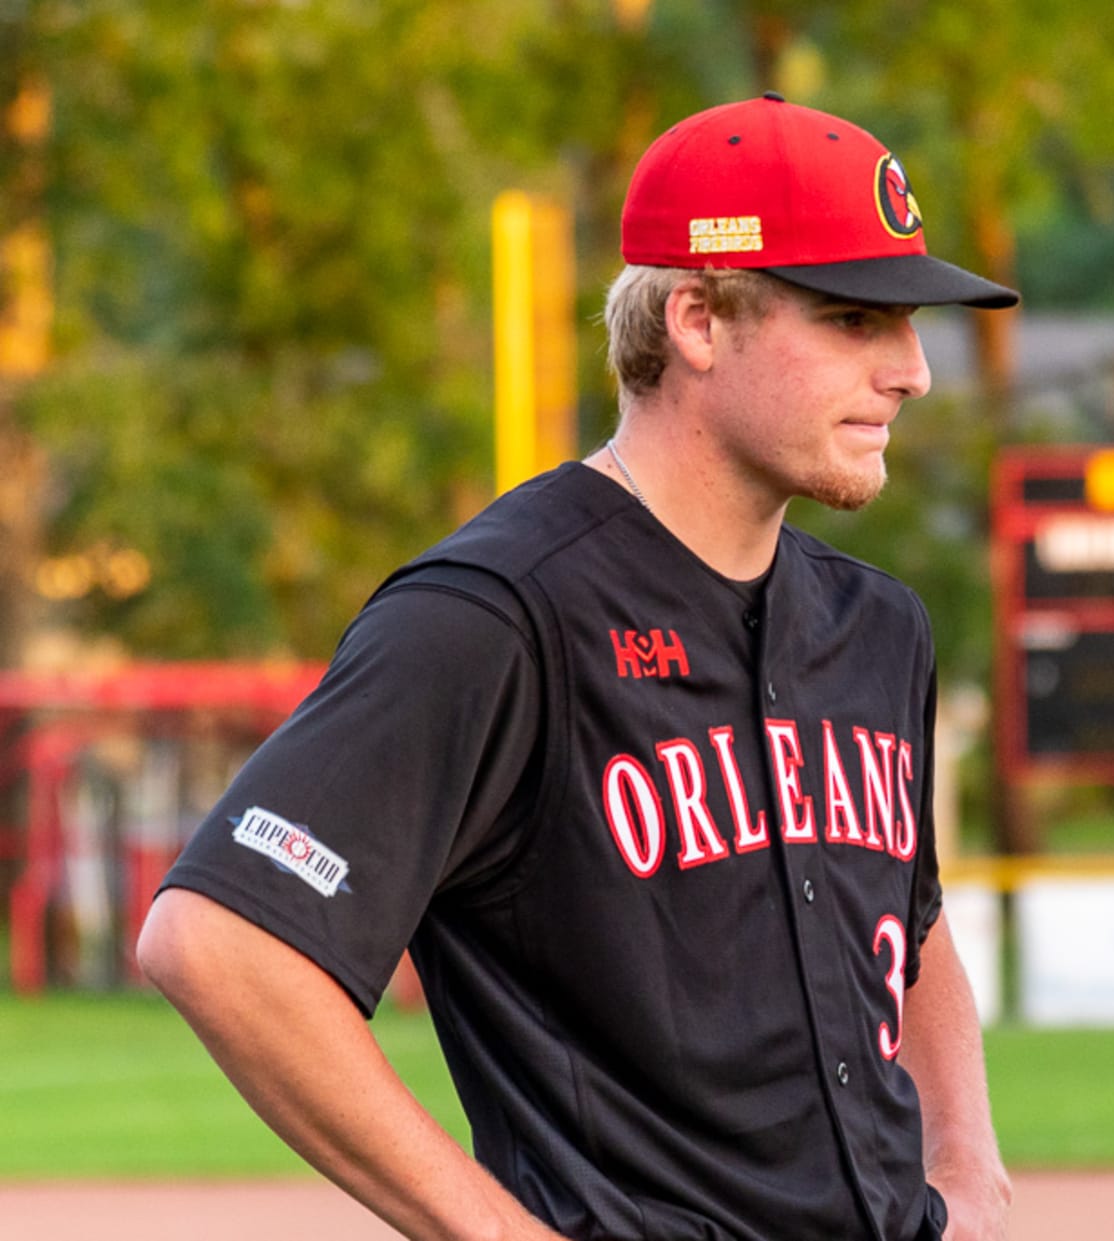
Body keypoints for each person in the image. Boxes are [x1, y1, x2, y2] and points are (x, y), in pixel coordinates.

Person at [137, 94, 1019, 1241]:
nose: (912, 370)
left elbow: (913, 916)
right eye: (855, 319)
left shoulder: (878, 624)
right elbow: (219, 940)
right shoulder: (496, 614)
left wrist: (971, 1166)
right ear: (698, 319)